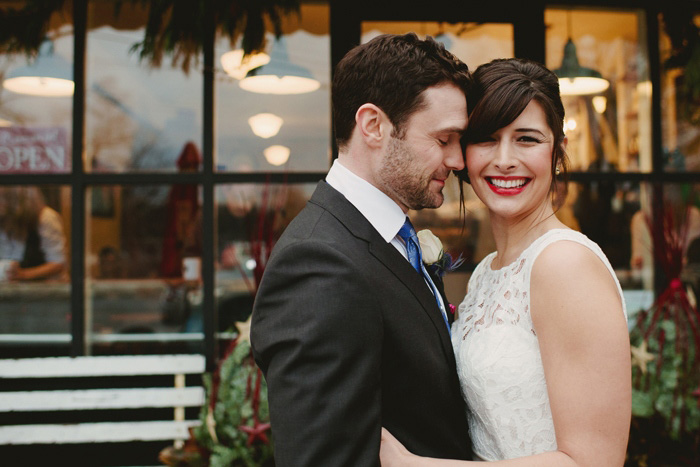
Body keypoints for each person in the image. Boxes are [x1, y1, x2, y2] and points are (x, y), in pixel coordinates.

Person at [380, 58, 631, 465]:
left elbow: (594, 460)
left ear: (557, 151)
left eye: (527, 139)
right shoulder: (486, 273)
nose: (504, 159)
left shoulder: (565, 264)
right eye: (487, 139)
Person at [250, 33, 473, 466]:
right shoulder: (318, 265)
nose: (459, 160)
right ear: (373, 125)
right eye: (444, 139)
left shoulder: (390, 239)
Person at [0, 186, 67, 281]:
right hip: (9, 290)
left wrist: (22, 274)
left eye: (4, 198)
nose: (1, 203)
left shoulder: (45, 217)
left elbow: (58, 263)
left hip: (42, 290)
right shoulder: (4, 219)